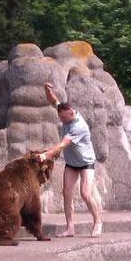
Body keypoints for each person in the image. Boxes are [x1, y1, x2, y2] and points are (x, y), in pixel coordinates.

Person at [41, 84, 103, 238]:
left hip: (86, 163)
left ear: (71, 113)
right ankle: (70, 228)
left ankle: (98, 222)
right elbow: (54, 101)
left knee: (85, 194)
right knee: (67, 193)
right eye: (60, 117)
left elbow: (62, 145)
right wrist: (47, 91)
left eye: (63, 118)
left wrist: (45, 155)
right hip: (72, 163)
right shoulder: (65, 113)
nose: (61, 120)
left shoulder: (79, 126)